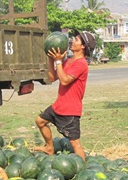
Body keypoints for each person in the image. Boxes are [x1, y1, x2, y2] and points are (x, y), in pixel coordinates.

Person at [35, 31, 96, 161]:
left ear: (83, 46)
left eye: (77, 40)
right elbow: (52, 78)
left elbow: (64, 80)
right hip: (58, 106)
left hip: (70, 110)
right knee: (40, 121)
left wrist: (58, 61)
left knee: (75, 143)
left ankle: (82, 168)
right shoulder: (68, 61)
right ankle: (49, 147)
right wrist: (51, 59)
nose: (73, 41)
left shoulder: (81, 63)